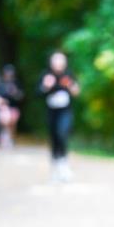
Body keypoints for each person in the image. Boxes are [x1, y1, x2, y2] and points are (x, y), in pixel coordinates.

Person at [38, 51, 81, 181]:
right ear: (51, 62)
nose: (58, 63)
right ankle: (55, 167)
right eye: (56, 60)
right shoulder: (46, 75)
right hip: (52, 113)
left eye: (60, 60)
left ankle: (64, 164)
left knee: (62, 134)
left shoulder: (68, 75)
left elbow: (76, 92)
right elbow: (37, 93)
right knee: (54, 138)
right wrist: (45, 86)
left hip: (65, 111)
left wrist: (71, 86)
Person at [0, 64, 24, 148]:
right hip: (2, 108)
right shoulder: (0, 83)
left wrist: (15, 92)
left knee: (12, 123)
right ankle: (4, 137)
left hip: (13, 107)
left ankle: (10, 138)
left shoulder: (16, 83)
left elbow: (21, 97)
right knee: (4, 122)